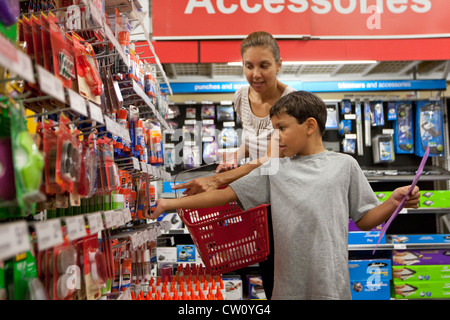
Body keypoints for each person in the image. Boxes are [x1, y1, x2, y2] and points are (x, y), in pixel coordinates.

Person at [147, 90, 421, 300]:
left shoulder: (344, 165)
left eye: (282, 128)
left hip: (332, 286)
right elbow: (225, 196)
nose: (275, 137)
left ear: (310, 126)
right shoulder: (274, 169)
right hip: (287, 288)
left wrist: (392, 203)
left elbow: (364, 219)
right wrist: (170, 203)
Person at [172, 31, 296, 299]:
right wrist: (237, 154)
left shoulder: (292, 103)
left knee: (285, 270)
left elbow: (272, 159)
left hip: (288, 192)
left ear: (279, 64)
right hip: (260, 193)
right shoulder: (241, 97)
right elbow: (255, 142)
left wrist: (218, 181)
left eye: (264, 65)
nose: (256, 74)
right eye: (248, 66)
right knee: (267, 263)